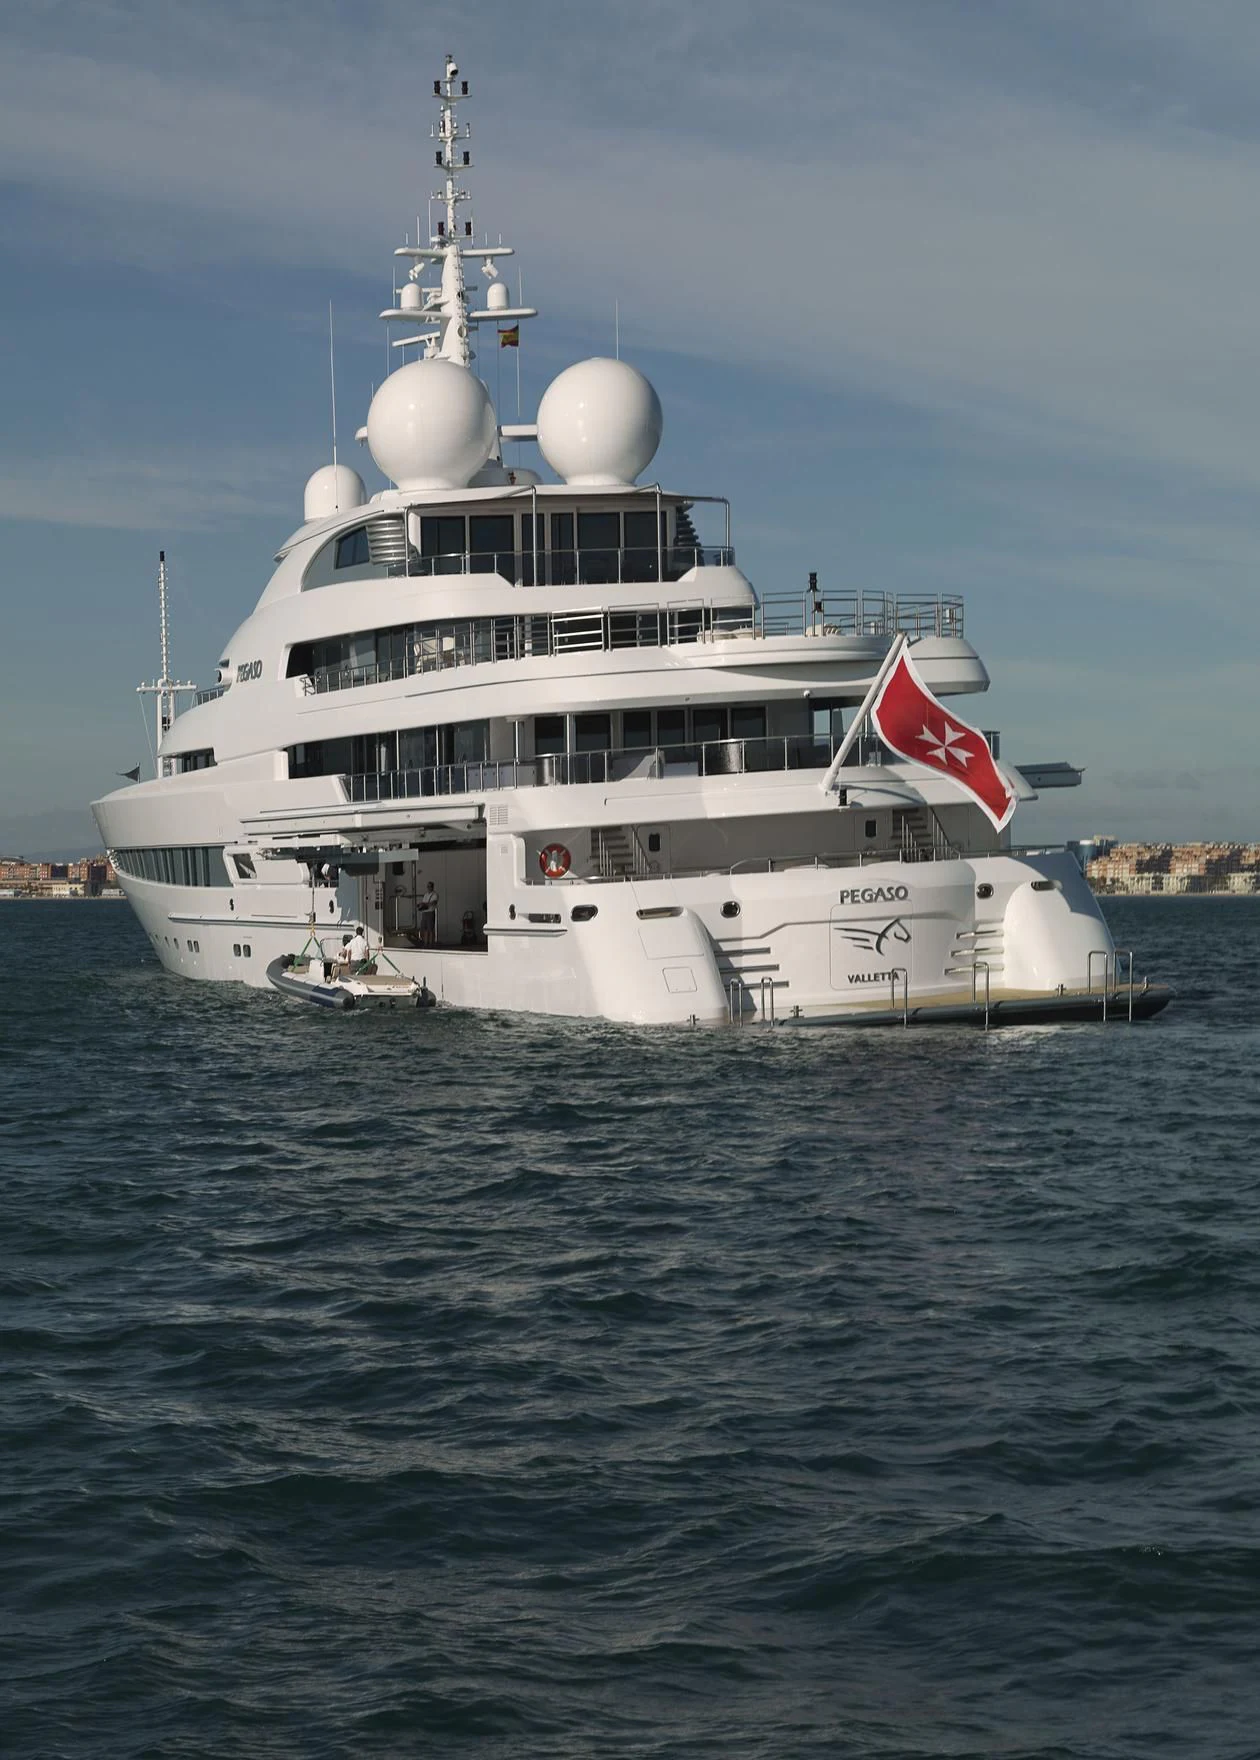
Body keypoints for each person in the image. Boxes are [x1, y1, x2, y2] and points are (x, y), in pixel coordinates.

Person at [419, 879, 438, 948]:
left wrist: (426, 904)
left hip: (430, 912)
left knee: (430, 929)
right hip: (425, 912)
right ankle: (425, 943)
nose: (428, 888)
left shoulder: (434, 894)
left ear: (432, 887)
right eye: (427, 886)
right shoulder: (426, 894)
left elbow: (434, 902)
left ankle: (431, 943)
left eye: (429, 886)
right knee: (425, 929)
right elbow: (424, 902)